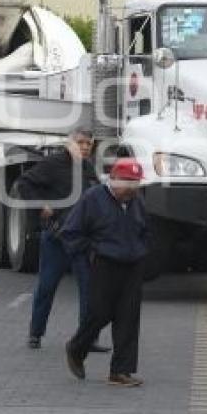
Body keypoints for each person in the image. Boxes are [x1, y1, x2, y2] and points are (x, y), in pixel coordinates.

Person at [19, 127, 108, 352]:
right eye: (81, 142)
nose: (85, 147)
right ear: (69, 143)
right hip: (56, 238)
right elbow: (24, 183)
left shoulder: (88, 169)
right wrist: (41, 206)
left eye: (89, 143)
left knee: (89, 290)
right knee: (47, 287)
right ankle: (35, 334)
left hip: (82, 242)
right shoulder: (53, 164)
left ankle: (87, 339)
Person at [63, 158, 150, 387]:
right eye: (128, 183)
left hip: (133, 265)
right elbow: (71, 232)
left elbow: (144, 230)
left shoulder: (136, 201)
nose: (132, 189)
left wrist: (143, 253)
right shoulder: (93, 198)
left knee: (128, 317)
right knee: (99, 314)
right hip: (103, 264)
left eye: (136, 184)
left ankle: (120, 371)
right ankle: (76, 348)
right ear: (113, 179)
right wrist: (90, 256)